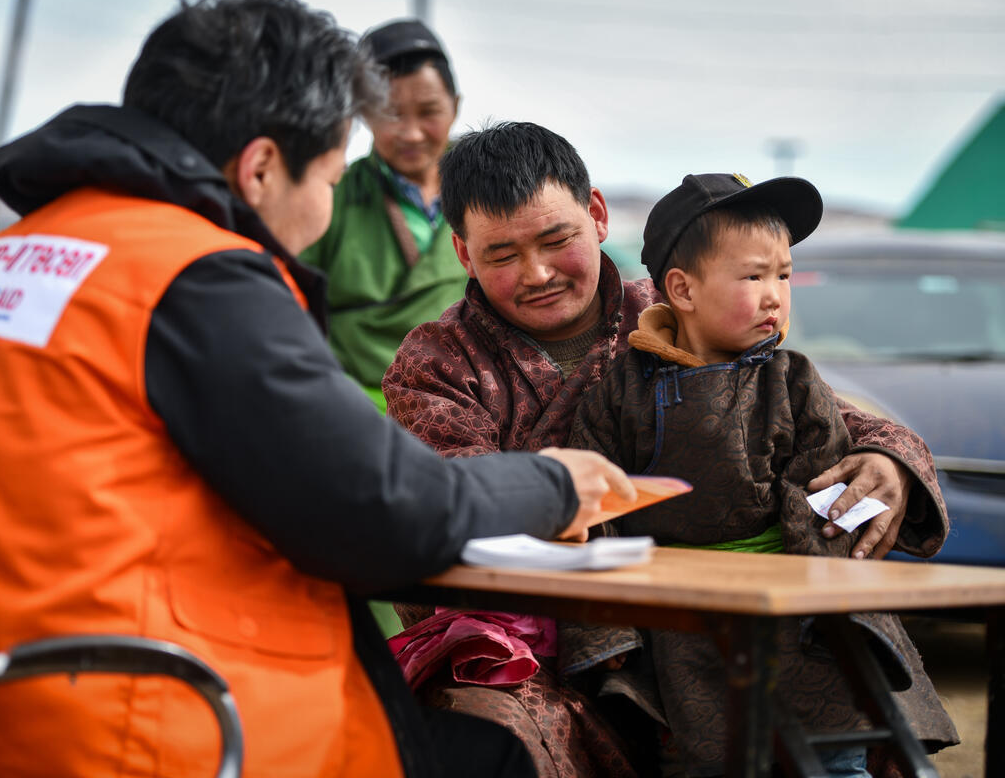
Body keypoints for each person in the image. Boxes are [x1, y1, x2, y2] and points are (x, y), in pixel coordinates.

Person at [0, 0, 637, 778]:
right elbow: (382, 512)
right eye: (329, 181)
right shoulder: (190, 274)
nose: (326, 214)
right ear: (261, 167)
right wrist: (554, 484)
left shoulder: (11, 255)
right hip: (111, 724)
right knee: (509, 758)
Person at [383, 123, 950, 776]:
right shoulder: (436, 362)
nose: (536, 273)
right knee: (482, 733)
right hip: (531, 649)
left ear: (596, 215)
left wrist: (889, 461)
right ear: (462, 252)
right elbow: (456, 497)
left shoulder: (679, 310)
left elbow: (821, 414)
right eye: (502, 254)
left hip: (708, 634)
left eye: (555, 240)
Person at [566, 172, 957, 776]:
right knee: (706, 759)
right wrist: (608, 636)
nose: (775, 294)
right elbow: (594, 512)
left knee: (834, 759)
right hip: (681, 624)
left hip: (800, 619)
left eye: (784, 275)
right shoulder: (619, 396)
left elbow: (823, 494)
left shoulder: (795, 382)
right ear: (683, 290)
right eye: (753, 276)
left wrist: (830, 601)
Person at [298, 18, 465, 413]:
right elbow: (290, 306)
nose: (410, 133)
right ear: (364, 115)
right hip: (353, 408)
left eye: (428, 112)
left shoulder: (490, 189)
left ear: (455, 107)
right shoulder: (330, 196)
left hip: (470, 403)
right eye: (390, 114)